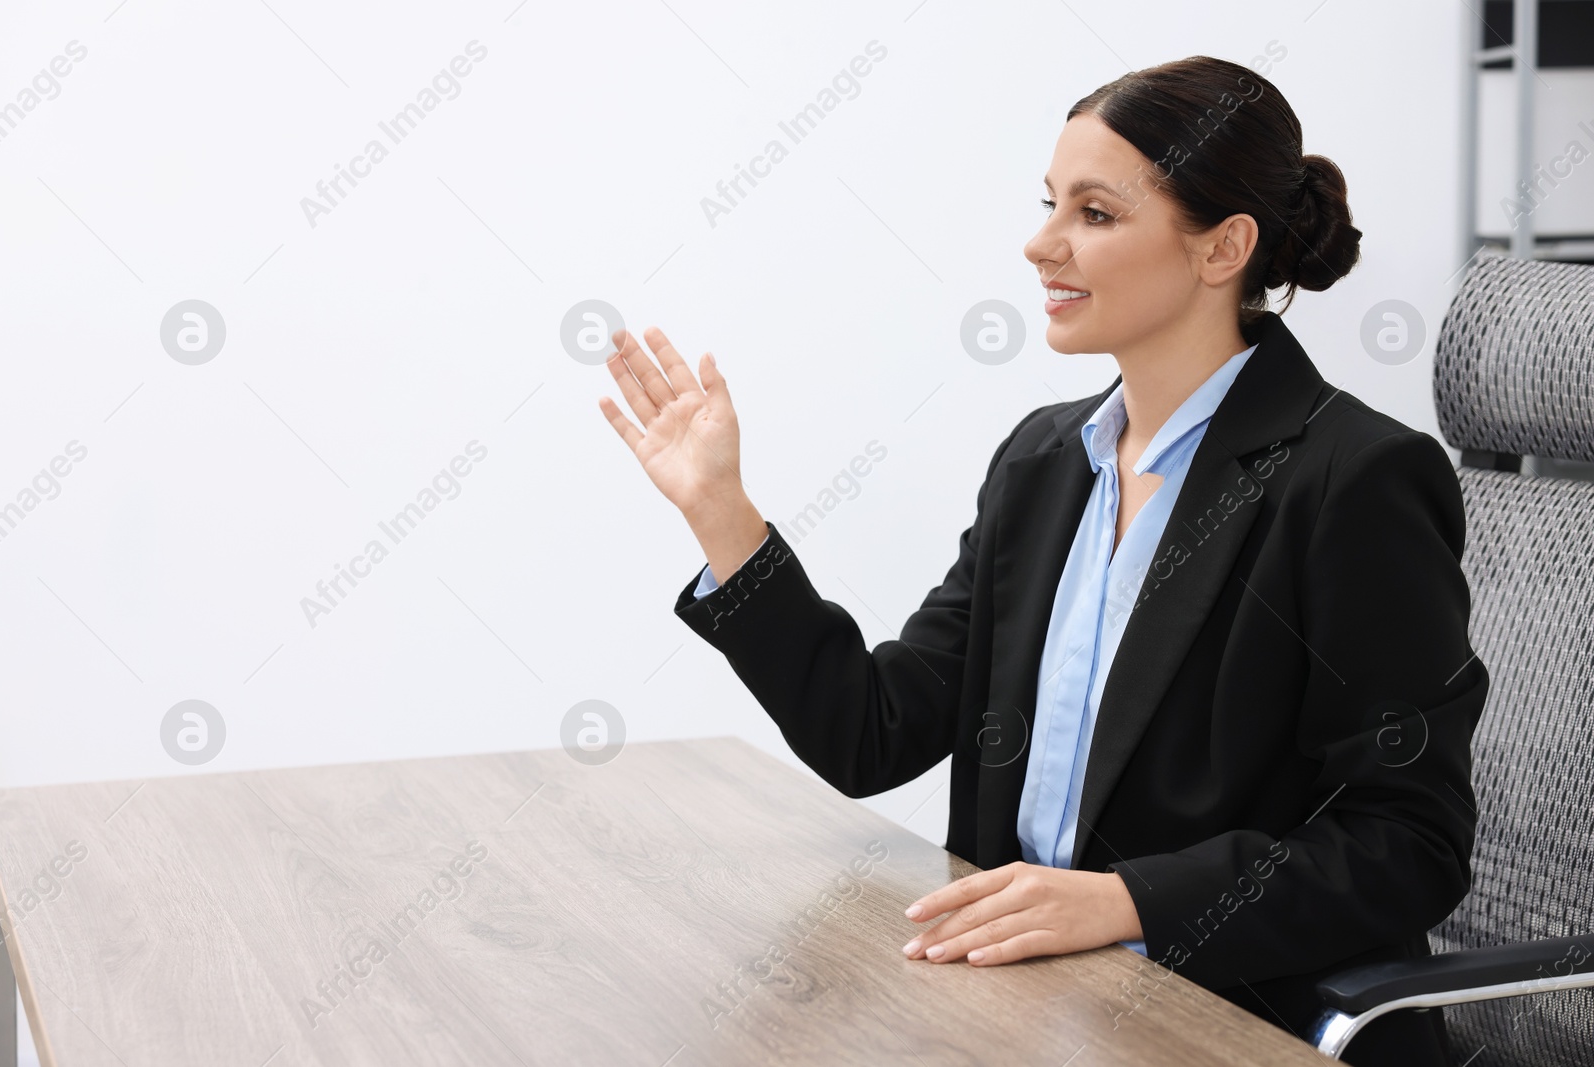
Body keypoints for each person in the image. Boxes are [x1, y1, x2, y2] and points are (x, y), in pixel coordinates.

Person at [597, 55, 1486, 1067]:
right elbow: (872, 733)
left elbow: (1405, 841)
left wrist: (1122, 903)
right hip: (1033, 1012)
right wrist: (721, 510)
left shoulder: (1354, 478)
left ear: (1222, 247)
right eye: (1048, 203)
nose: (1039, 243)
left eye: (1095, 213)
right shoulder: (1043, 462)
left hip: (1233, 1022)